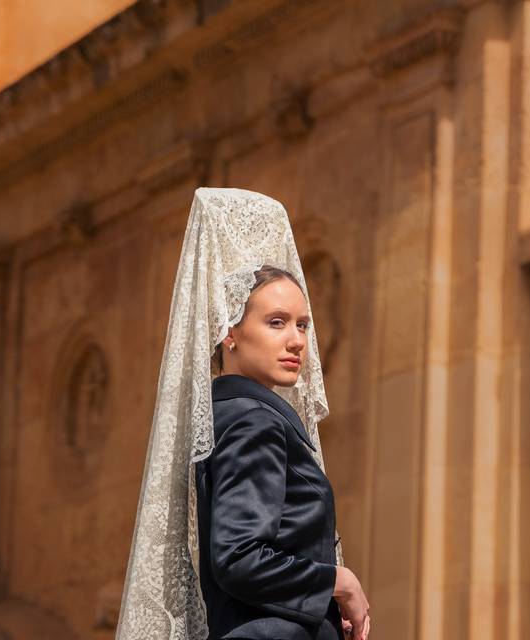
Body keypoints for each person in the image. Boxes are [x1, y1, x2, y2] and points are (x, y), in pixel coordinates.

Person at [115, 189, 370, 640]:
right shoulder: (253, 422)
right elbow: (237, 556)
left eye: (302, 324)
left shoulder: (228, 415)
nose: (296, 341)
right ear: (229, 332)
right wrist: (337, 582)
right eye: (276, 322)